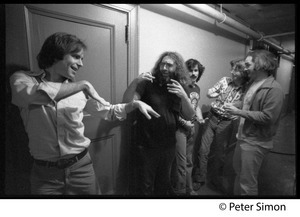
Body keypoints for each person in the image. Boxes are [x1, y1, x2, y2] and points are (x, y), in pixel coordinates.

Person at [9, 32, 160, 195]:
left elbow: (108, 111)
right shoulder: (23, 79)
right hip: (45, 175)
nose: (81, 64)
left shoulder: (81, 89)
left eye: (82, 59)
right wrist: (83, 85)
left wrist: (134, 104)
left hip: (81, 168)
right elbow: (32, 96)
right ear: (55, 55)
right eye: (76, 57)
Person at [123, 51, 195, 196]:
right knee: (145, 185)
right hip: (146, 144)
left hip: (168, 145)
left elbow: (189, 114)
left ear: (177, 68)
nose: (164, 68)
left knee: (163, 184)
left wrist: (183, 95)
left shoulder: (179, 87)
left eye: (169, 65)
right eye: (162, 63)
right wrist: (135, 81)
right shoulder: (148, 82)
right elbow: (127, 102)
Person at [224, 49, 284, 195]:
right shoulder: (254, 83)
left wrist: (238, 112)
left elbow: (268, 117)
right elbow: (248, 103)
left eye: (248, 64)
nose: (245, 68)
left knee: (247, 183)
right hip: (243, 137)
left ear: (259, 65)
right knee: (239, 173)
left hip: (256, 141)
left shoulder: (274, 89)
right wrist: (235, 105)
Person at [193, 58, 249, 194]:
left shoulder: (247, 87)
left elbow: (246, 102)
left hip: (227, 122)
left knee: (219, 154)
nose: (232, 72)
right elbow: (209, 93)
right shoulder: (225, 80)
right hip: (212, 117)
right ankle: (200, 178)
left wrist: (236, 104)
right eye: (232, 69)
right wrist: (216, 93)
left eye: (235, 71)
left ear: (242, 73)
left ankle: (215, 179)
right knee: (203, 150)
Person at [170, 58, 205, 195]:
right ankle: (179, 191)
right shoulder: (180, 87)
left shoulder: (197, 87)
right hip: (180, 129)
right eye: (190, 70)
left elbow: (195, 106)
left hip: (192, 128)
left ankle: (189, 189)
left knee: (189, 161)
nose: (193, 73)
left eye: (196, 70)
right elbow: (172, 110)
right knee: (180, 164)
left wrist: (199, 118)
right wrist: (185, 123)